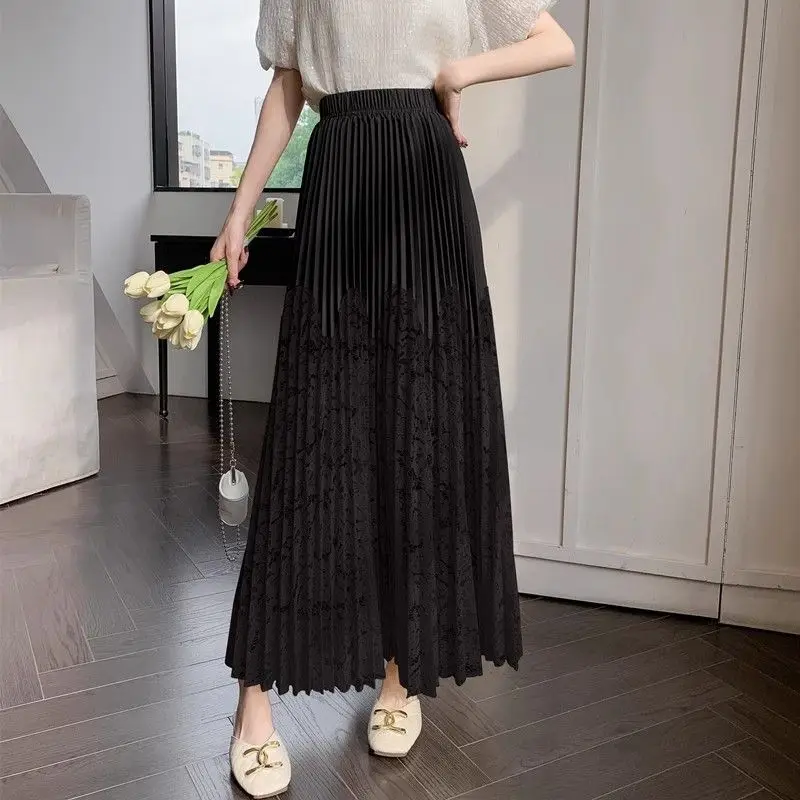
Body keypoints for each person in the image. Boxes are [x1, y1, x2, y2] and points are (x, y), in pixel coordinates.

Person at [212, 1, 574, 796]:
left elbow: (555, 42)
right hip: (341, 179)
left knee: (416, 428)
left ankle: (399, 674)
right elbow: (289, 84)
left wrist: (459, 72)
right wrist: (239, 212)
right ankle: (253, 702)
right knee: (313, 428)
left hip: (426, 182)